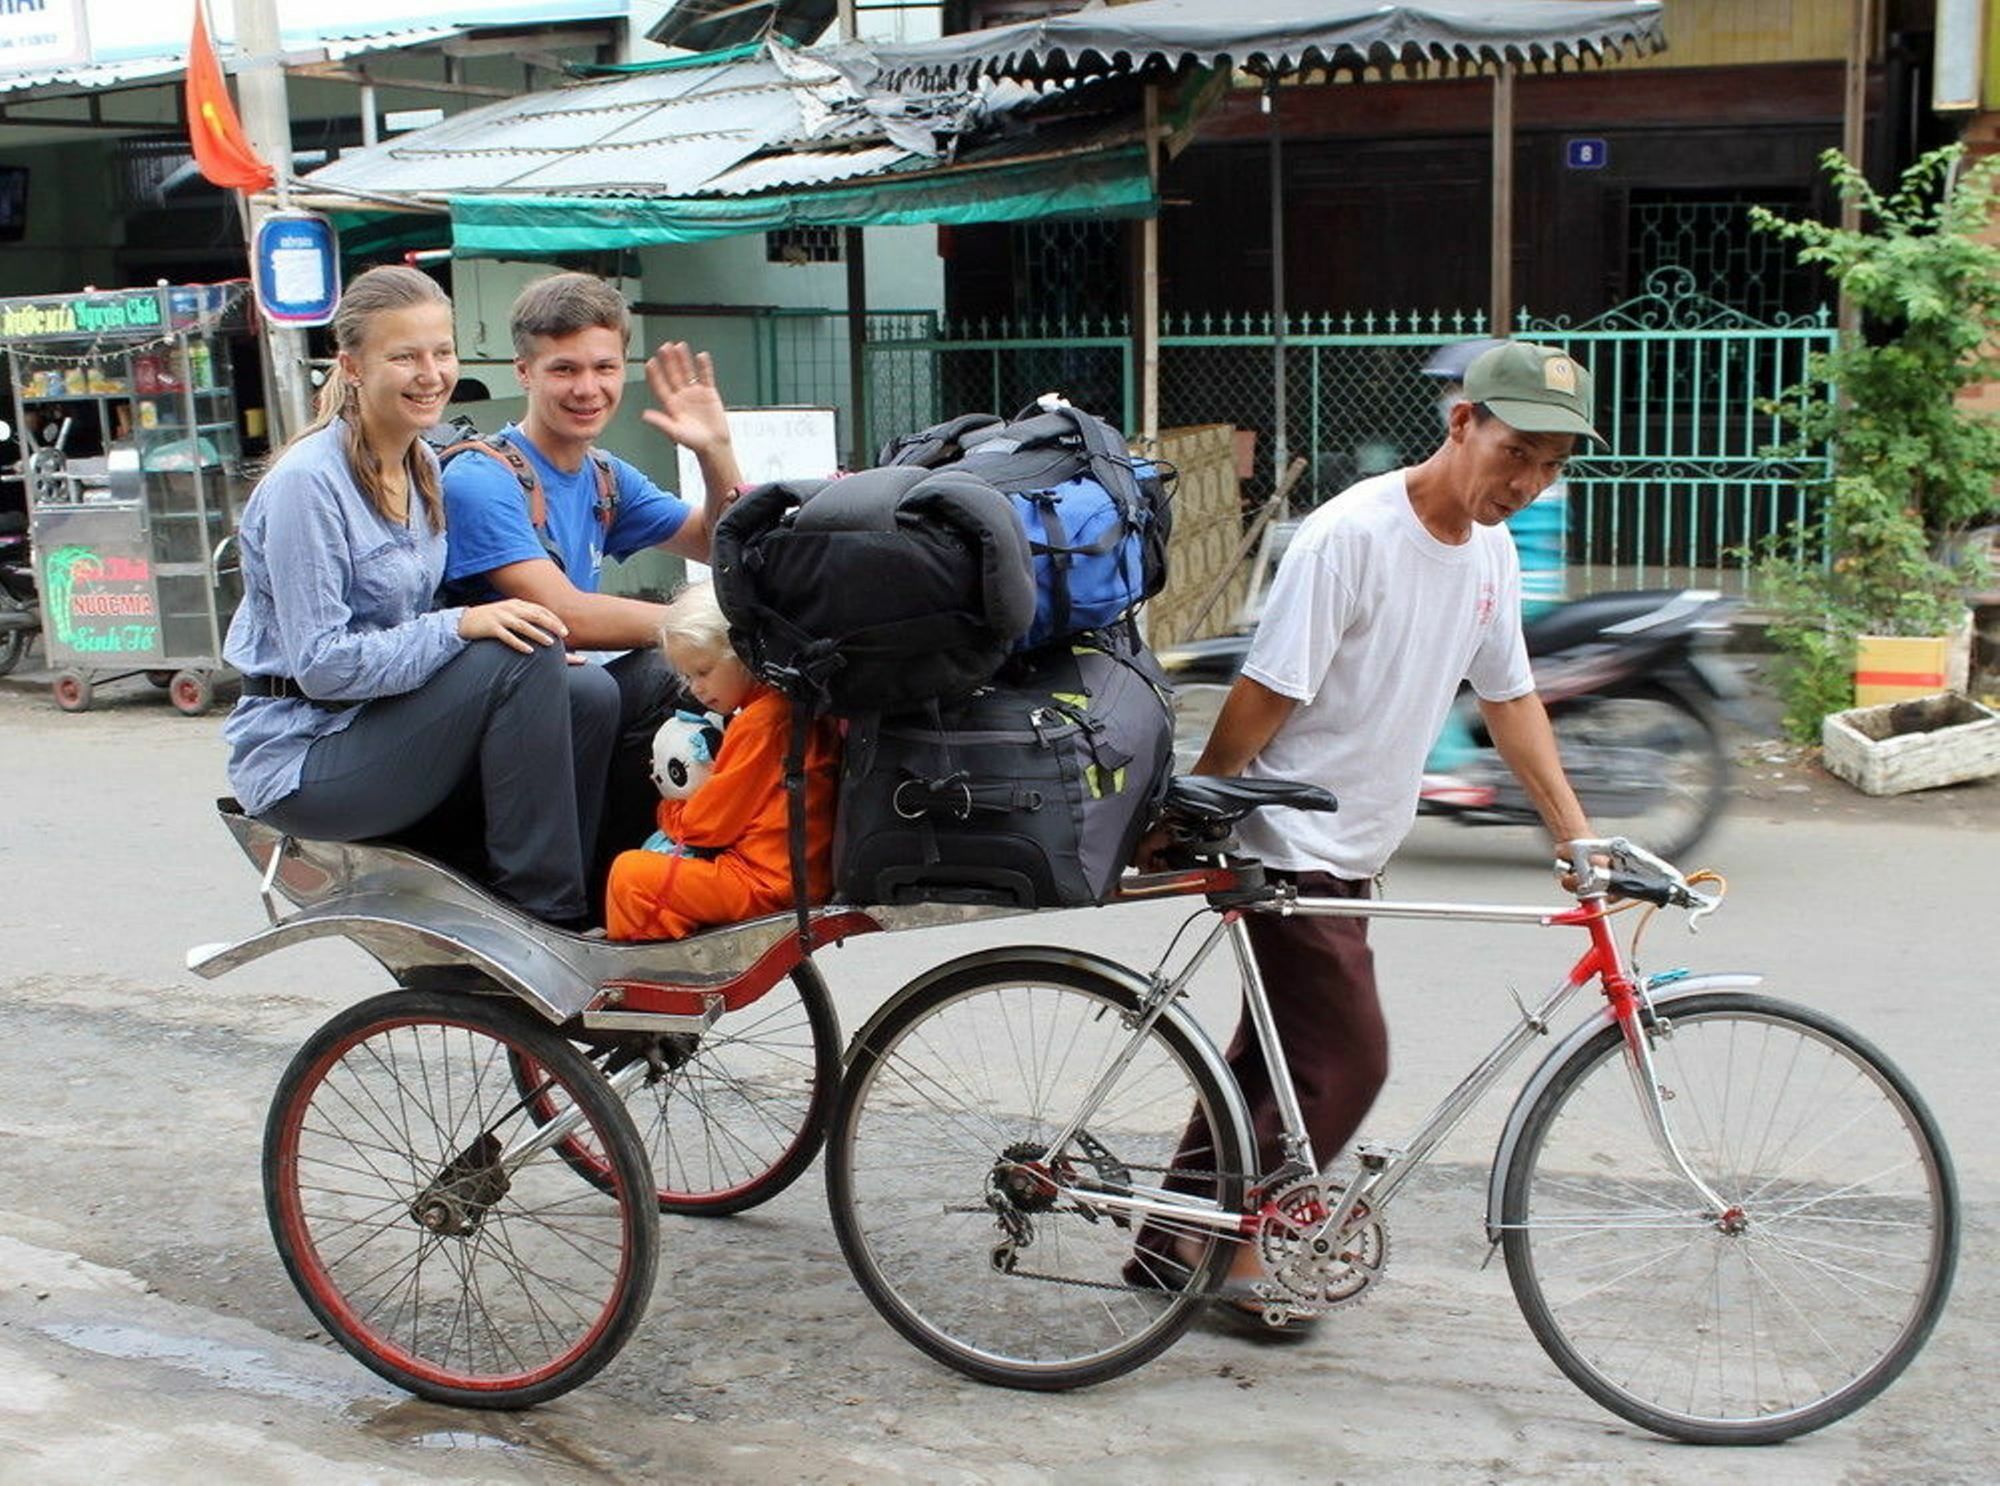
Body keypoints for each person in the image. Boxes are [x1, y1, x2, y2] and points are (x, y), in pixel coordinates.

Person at [1150, 340, 1602, 1327]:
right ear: (1460, 423)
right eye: (1514, 451)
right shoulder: (1349, 535)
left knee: (1269, 1061)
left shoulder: (1484, 553)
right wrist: (1201, 811)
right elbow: (1267, 689)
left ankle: (1168, 1238)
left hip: (1349, 848)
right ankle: (1234, 1255)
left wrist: (1573, 834)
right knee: (1346, 1062)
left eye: (1550, 466)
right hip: (1285, 843)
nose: (1526, 482)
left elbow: (1511, 697)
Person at [220, 265, 615, 927]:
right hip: (308, 756)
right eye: (404, 356)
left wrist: (508, 653)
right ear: (351, 366)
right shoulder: (308, 485)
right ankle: (543, 915)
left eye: (441, 352)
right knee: (518, 650)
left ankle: (594, 885)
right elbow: (324, 666)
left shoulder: (422, 463)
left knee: (589, 693)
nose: (430, 373)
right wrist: (466, 628)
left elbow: (414, 620)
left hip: (382, 722)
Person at [439, 273, 744, 897]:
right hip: (494, 731)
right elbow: (564, 612)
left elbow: (721, 543)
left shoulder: (604, 474)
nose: (588, 389)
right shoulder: (484, 477)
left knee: (695, 684)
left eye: (604, 368)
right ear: (523, 372)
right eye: (564, 370)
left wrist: (715, 450)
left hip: (571, 706)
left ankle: (654, 868)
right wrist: (695, 628)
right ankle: (570, 898)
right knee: (610, 684)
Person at [603, 582, 838, 943]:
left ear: (741, 655)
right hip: (786, 875)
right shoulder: (780, 707)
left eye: (703, 671)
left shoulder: (760, 721)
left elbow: (706, 826)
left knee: (630, 875)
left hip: (765, 883)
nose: (695, 688)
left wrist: (669, 812)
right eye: (687, 677)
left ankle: (657, 986)